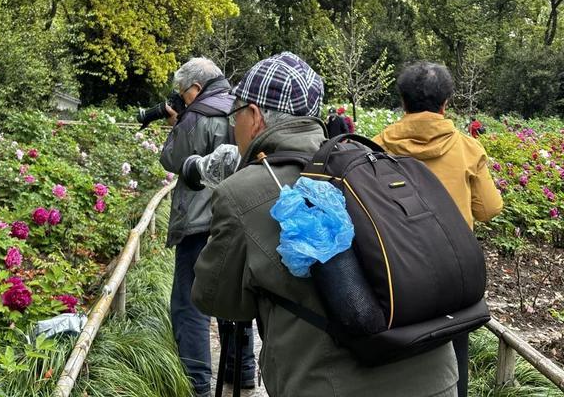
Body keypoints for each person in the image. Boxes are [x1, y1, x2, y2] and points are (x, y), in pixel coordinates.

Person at [192, 51, 459, 397]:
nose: (233, 126)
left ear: (254, 116)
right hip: (438, 378)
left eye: (235, 115)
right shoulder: (371, 162)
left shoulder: (242, 192)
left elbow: (216, 299)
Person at [373, 61, 503, 397]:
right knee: (454, 352)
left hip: (394, 272)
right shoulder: (467, 148)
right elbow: (489, 208)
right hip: (452, 271)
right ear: (445, 103)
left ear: (403, 102)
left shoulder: (373, 147)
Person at [159, 57, 255, 397]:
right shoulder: (241, 107)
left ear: (196, 88)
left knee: (189, 304)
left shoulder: (197, 116)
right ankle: (242, 371)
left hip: (200, 222)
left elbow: (171, 160)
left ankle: (196, 384)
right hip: (237, 217)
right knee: (234, 298)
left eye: (183, 93)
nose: (181, 99)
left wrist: (178, 123)